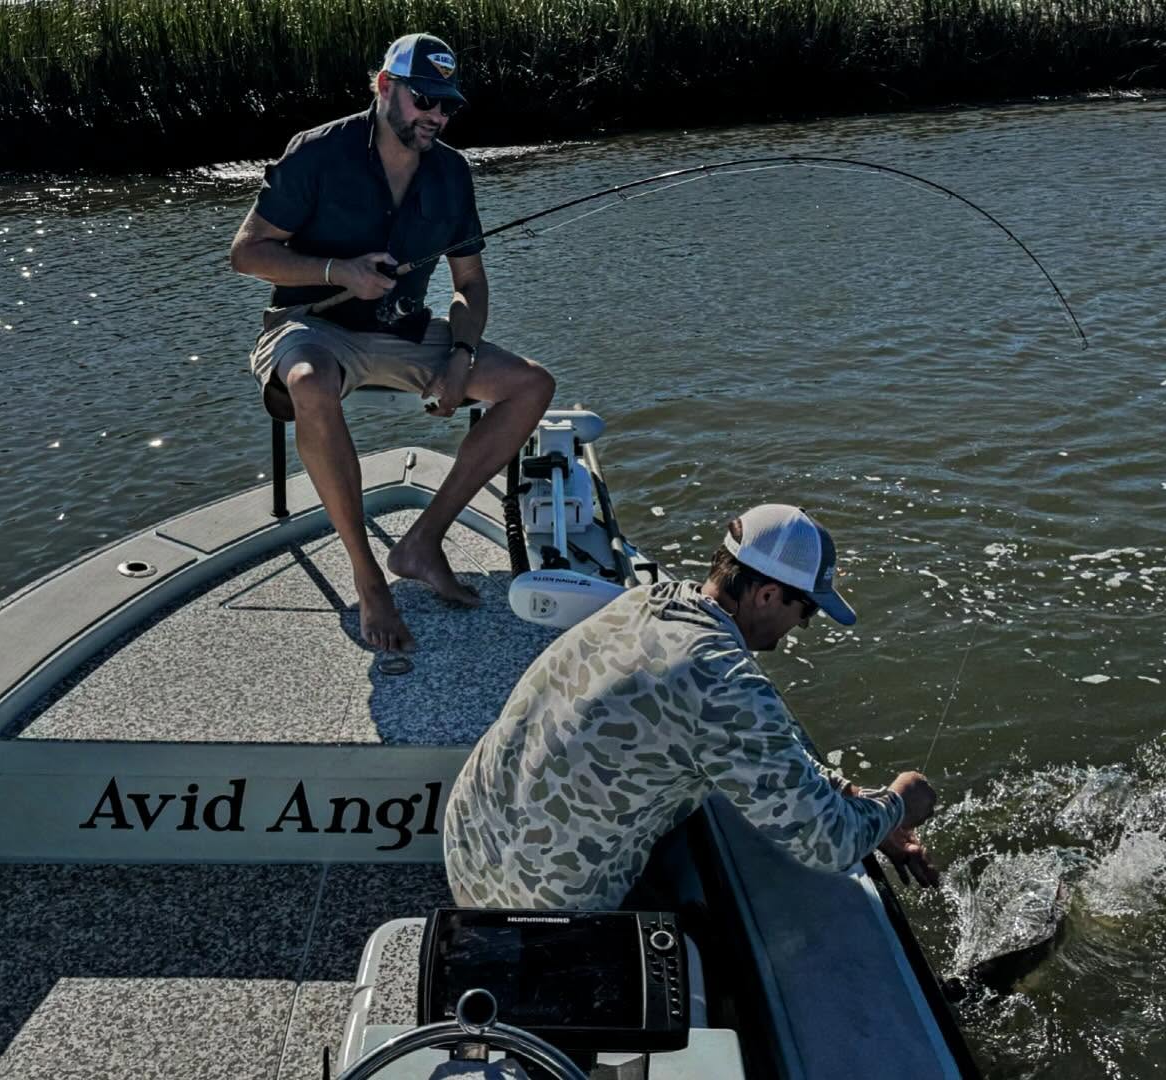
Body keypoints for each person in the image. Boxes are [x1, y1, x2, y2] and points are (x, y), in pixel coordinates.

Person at [444, 503, 939, 910]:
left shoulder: (646, 602)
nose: (802, 627)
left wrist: (853, 796)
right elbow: (826, 843)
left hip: (467, 847)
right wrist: (899, 802)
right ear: (768, 595)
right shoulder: (723, 680)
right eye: (805, 611)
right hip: (534, 905)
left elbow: (763, 750)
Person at [229, 33, 555, 652]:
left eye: (447, 105)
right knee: (309, 383)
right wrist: (338, 271)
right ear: (385, 86)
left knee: (532, 385)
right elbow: (245, 254)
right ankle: (367, 574)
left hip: (404, 329)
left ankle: (422, 542)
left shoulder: (452, 172)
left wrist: (461, 356)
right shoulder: (317, 152)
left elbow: (470, 282)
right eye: (423, 99)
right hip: (311, 328)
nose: (436, 115)